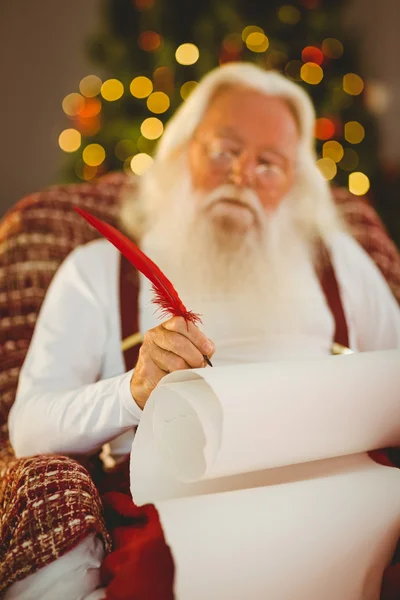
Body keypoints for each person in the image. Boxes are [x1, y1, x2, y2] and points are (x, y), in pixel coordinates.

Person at [4, 62, 400, 599]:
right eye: (223, 151)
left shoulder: (341, 263)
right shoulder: (96, 270)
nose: (241, 176)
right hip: (176, 507)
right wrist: (133, 391)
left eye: (269, 164)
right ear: (182, 153)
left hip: (356, 502)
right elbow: (28, 428)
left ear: (292, 185)